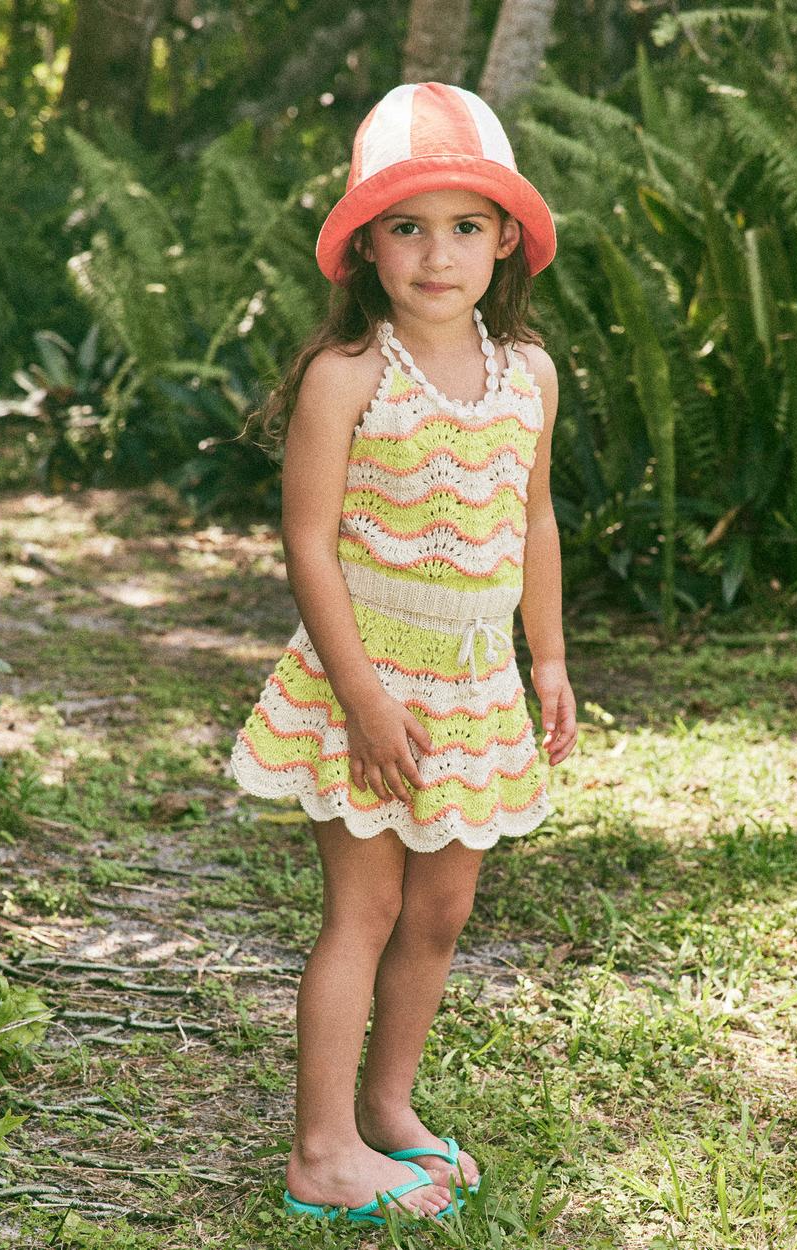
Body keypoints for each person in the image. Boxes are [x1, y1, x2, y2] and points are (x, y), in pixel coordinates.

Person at [230, 81, 578, 1227]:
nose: (438, 253)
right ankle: (320, 1148)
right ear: (365, 245)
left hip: (473, 683)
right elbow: (309, 547)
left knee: (440, 911)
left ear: (506, 241)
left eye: (465, 225)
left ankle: (388, 1107)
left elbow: (531, 522)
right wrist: (366, 698)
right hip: (365, 679)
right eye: (408, 226)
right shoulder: (349, 379)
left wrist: (549, 663)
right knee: (364, 909)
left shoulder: (525, 371)